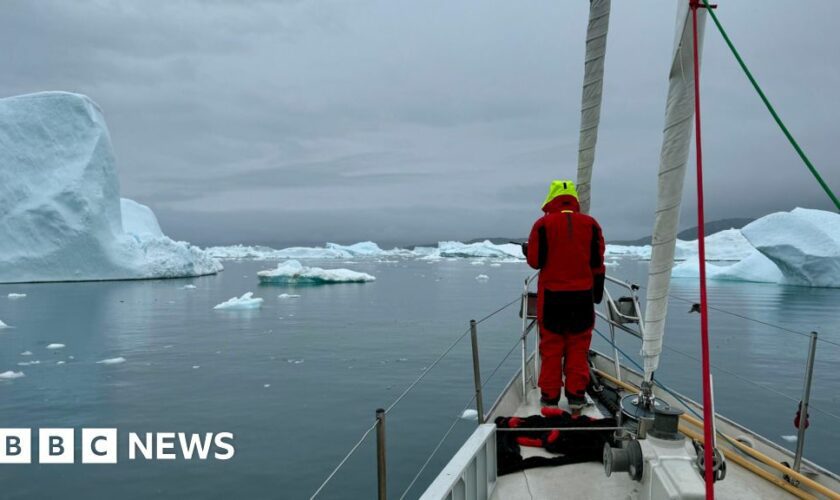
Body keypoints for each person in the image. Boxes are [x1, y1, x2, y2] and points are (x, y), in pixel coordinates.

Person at [523, 180, 605, 410]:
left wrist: (527, 250)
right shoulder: (591, 225)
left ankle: (549, 398)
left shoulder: (542, 224)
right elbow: (597, 262)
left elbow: (535, 261)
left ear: (551, 198)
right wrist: (596, 291)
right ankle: (576, 396)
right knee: (578, 346)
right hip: (582, 298)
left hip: (552, 298)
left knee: (551, 347)